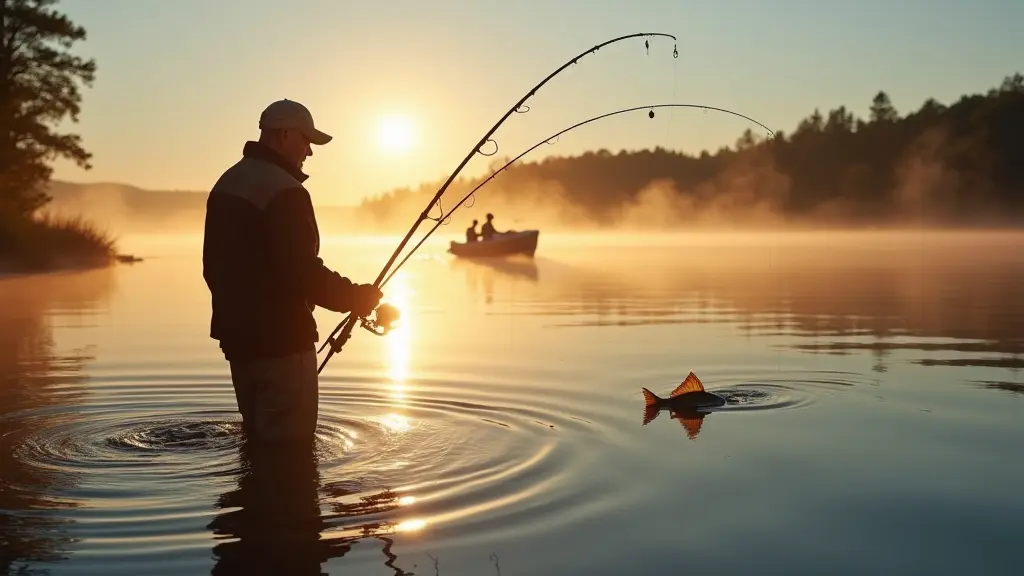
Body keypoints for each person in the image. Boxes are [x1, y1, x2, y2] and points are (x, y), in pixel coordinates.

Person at [202, 98, 382, 445]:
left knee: (257, 443)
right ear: (284, 134)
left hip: (237, 340)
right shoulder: (285, 191)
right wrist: (355, 297)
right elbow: (302, 272)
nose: (309, 152)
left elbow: (213, 268)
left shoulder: (226, 183)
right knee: (290, 450)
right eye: (306, 141)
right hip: (283, 342)